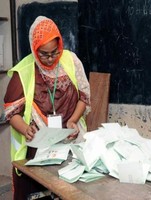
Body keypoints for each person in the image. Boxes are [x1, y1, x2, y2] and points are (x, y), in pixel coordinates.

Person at [3, 16, 91, 199]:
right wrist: (26, 129)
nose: (51, 59)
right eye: (44, 54)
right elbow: (12, 113)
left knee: (74, 192)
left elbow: (84, 96)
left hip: (71, 140)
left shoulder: (71, 61)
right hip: (39, 149)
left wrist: (73, 119)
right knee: (41, 192)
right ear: (34, 50)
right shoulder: (24, 70)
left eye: (54, 52)